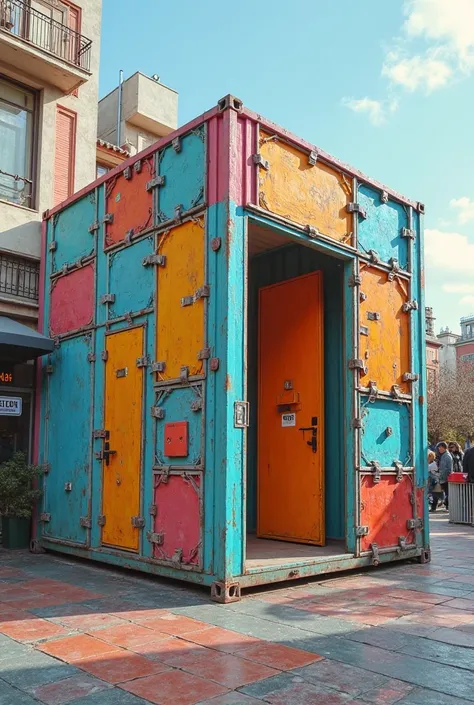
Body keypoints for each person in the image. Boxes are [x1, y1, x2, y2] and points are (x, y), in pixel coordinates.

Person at [436, 441, 453, 510]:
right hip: (444, 478)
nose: (439, 449)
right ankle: (447, 506)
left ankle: (448, 506)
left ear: (444, 448)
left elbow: (447, 469)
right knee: (446, 493)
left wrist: (442, 477)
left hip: (446, 478)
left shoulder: (447, 456)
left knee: (448, 493)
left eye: (440, 447)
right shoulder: (443, 456)